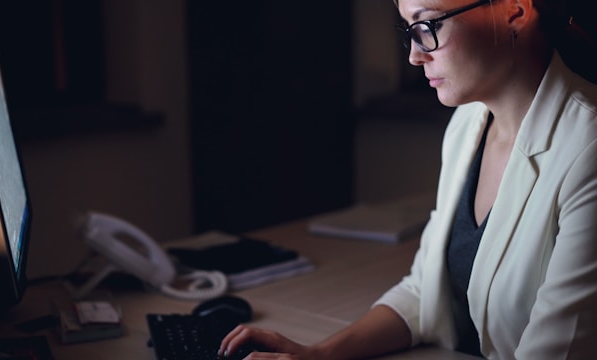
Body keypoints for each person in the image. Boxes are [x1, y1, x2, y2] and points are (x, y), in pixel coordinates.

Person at [219, 0, 597, 358]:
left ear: (515, 10)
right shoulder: (468, 123)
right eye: (410, 31)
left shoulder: (588, 148)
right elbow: (425, 293)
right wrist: (318, 354)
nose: (415, 55)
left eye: (428, 25)